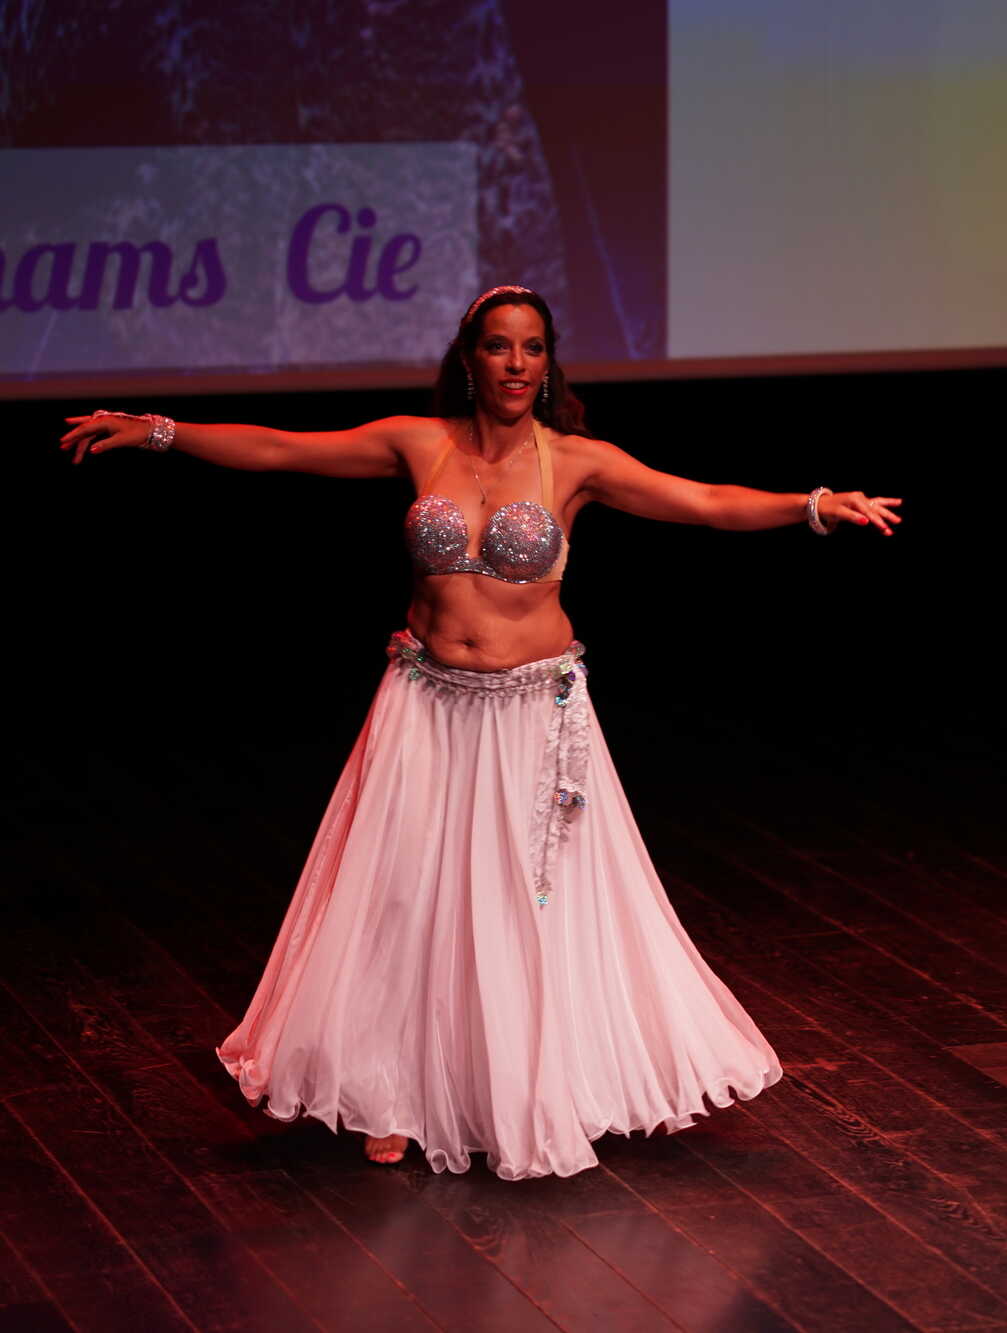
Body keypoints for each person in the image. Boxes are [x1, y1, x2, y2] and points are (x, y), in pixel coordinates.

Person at [60, 285, 902, 1176]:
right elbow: (281, 448)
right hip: (425, 700)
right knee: (404, 896)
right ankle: (391, 1092)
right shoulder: (417, 443)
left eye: (532, 348)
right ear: (469, 359)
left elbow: (699, 501)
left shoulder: (574, 461)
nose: (516, 364)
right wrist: (158, 430)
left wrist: (813, 505)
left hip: (533, 713)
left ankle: (530, 1087)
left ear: (549, 363)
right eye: (499, 346)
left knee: (524, 906)